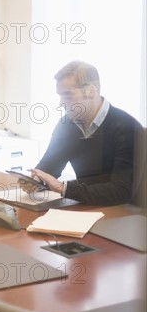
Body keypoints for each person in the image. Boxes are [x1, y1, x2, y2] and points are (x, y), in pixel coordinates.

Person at [22, 61, 144, 206]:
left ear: (91, 92)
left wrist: (62, 188)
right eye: (60, 96)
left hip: (120, 213)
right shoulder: (66, 125)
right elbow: (48, 167)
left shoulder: (128, 128)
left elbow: (120, 192)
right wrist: (37, 180)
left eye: (67, 95)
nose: (61, 103)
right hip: (85, 207)